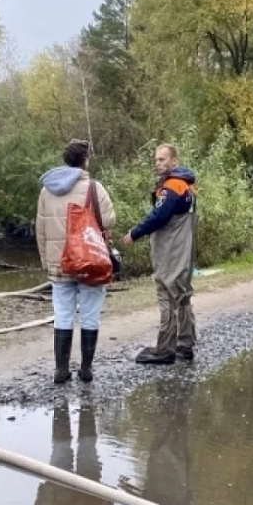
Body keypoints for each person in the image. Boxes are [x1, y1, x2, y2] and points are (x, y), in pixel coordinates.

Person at [36, 139, 116, 384]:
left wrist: (46, 260)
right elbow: (110, 220)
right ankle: (86, 369)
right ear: (85, 161)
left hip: (59, 262)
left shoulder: (46, 190)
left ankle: (61, 370)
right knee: (90, 314)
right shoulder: (94, 188)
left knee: (62, 314)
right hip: (88, 261)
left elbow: (40, 228)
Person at [121, 144, 197, 365]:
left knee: (166, 290)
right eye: (156, 160)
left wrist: (135, 233)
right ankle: (185, 343)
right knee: (182, 293)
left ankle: (165, 348)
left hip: (171, 249)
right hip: (183, 249)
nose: (158, 163)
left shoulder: (172, 186)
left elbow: (159, 215)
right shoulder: (187, 186)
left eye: (163, 159)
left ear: (175, 161)